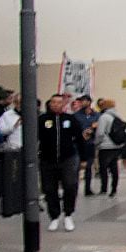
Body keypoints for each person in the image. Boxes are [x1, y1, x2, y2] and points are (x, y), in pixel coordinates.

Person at [37, 94, 80, 233]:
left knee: (70, 186)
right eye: (53, 102)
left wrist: (84, 158)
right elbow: (36, 137)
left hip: (67, 159)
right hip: (47, 160)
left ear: (63, 104)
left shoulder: (70, 119)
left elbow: (79, 137)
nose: (55, 105)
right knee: (49, 189)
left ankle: (68, 214)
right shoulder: (42, 120)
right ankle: (54, 216)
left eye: (58, 102)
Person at [94, 98, 126, 196]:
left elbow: (100, 133)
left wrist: (96, 143)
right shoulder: (118, 116)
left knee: (103, 168)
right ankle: (114, 189)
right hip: (116, 146)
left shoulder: (104, 117)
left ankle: (104, 189)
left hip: (105, 146)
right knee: (114, 168)